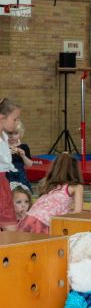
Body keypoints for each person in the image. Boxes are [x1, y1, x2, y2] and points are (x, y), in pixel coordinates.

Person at [18, 154, 83, 234]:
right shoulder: (76, 186)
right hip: (44, 221)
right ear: (75, 169)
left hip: (29, 217)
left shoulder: (49, 183)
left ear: (55, 168)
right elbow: (78, 212)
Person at [0, 98, 21, 231]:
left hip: (3, 181)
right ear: (2, 118)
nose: (17, 123)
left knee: (11, 227)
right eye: (14, 119)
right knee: (10, 227)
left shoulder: (4, 136)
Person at [7, 120, 32, 192]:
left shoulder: (24, 147)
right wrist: (7, 154)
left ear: (20, 134)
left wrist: (23, 156)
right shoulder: (2, 146)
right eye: (9, 133)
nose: (12, 136)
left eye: (15, 133)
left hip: (20, 176)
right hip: (6, 176)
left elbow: (29, 164)